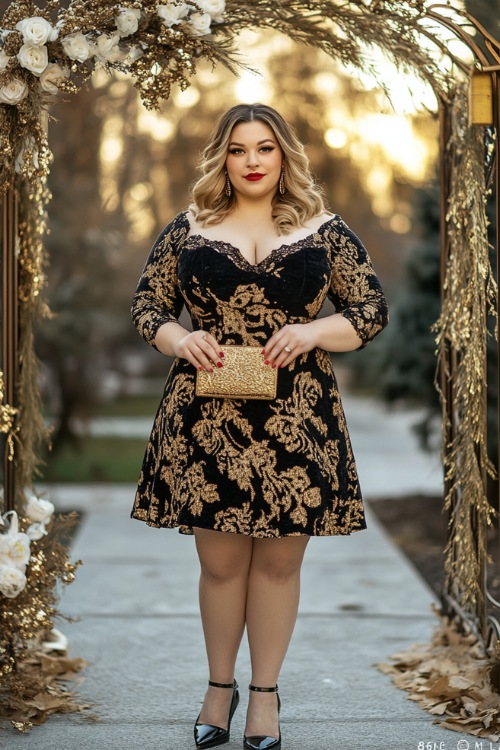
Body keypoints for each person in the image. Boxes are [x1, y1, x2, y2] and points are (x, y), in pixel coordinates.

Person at [130, 102, 389, 750]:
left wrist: (311, 330)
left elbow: (370, 310)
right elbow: (147, 305)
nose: (251, 161)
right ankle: (219, 688)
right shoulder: (189, 227)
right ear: (222, 156)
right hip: (205, 420)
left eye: (264, 148)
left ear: (283, 157)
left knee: (277, 565)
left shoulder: (324, 229)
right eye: (239, 149)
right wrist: (176, 339)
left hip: (296, 418)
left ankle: (265, 696)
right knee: (219, 565)